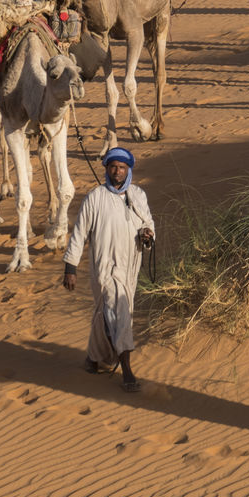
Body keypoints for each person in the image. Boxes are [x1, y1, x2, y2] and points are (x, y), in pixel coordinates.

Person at [62, 147, 155, 393]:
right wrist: (70, 268)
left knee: (107, 314)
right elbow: (79, 233)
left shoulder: (138, 196)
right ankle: (127, 370)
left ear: (129, 170)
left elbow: (148, 223)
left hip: (129, 267)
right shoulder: (95, 197)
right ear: (107, 169)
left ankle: (94, 359)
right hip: (104, 268)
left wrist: (148, 235)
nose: (117, 171)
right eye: (113, 166)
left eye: (122, 168)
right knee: (118, 311)